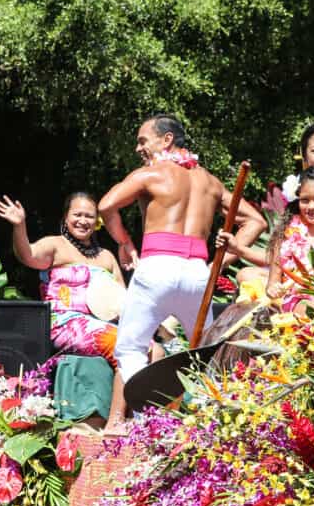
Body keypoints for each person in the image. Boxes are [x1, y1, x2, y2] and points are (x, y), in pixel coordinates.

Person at [98, 115, 267, 431]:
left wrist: (124, 243)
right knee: (208, 352)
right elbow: (256, 220)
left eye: (143, 140)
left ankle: (148, 420)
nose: (138, 148)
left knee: (131, 349)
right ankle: (212, 423)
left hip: (156, 268)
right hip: (197, 274)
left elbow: (106, 206)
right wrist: (225, 259)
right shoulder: (211, 183)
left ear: (167, 140)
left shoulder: (151, 174)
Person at [0, 191, 126, 366]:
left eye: (89, 216)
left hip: (106, 323)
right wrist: (20, 225)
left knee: (154, 348)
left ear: (97, 222)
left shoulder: (107, 256)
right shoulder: (55, 245)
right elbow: (28, 256)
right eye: (77, 214)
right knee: (121, 345)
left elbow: (123, 298)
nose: (83, 220)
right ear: (65, 217)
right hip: (64, 324)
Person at [220, 166, 314, 313]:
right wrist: (273, 289)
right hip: (293, 297)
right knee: (246, 275)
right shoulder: (284, 234)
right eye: (305, 200)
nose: (311, 206)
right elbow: (273, 282)